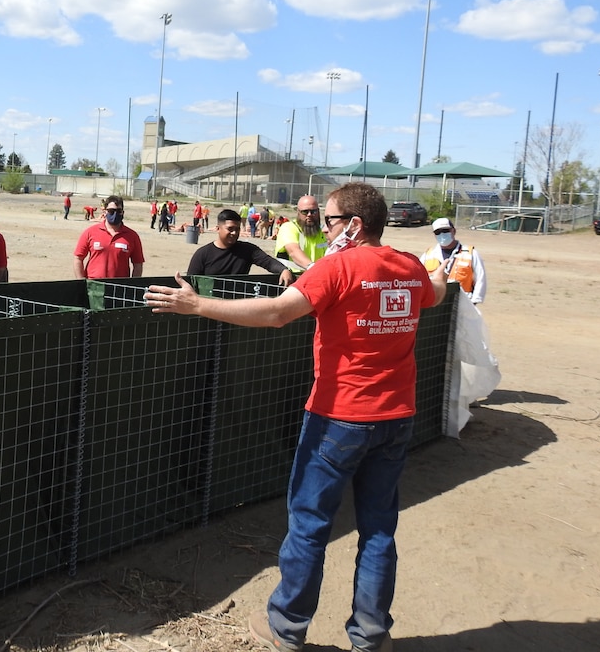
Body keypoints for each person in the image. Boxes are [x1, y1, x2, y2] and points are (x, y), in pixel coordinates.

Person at [145, 183, 446, 652]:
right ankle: (371, 636)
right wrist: (442, 267)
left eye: (329, 220)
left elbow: (277, 314)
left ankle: (286, 627)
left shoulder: (338, 267)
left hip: (339, 418)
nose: (324, 228)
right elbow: (437, 293)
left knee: (309, 525)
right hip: (396, 417)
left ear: (354, 225)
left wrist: (198, 305)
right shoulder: (408, 267)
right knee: (380, 529)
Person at [186, 208, 294, 285]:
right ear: (218, 228)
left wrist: (284, 270)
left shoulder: (248, 250)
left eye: (237, 229)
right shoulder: (202, 254)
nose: (234, 233)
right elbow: (190, 282)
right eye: (230, 229)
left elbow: (268, 262)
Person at [73, 195, 145, 279]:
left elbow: (138, 264)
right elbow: (78, 258)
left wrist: (132, 284)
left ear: (123, 212)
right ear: (105, 212)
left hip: (119, 287)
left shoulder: (132, 236)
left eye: (119, 211)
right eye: (111, 211)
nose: (115, 214)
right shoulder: (90, 232)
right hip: (94, 286)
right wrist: (81, 281)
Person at [421, 217, 486, 304]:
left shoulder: (470, 253)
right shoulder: (428, 255)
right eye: (438, 232)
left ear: (454, 231)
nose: (442, 234)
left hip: (463, 302)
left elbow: (480, 278)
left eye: (445, 231)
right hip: (436, 303)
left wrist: (474, 301)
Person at [274, 195, 327, 269]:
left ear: (318, 211)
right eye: (305, 212)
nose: (309, 215)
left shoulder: (324, 231)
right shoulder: (289, 228)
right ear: (298, 212)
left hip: (319, 276)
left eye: (313, 211)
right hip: (295, 277)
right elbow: (293, 251)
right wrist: (312, 267)